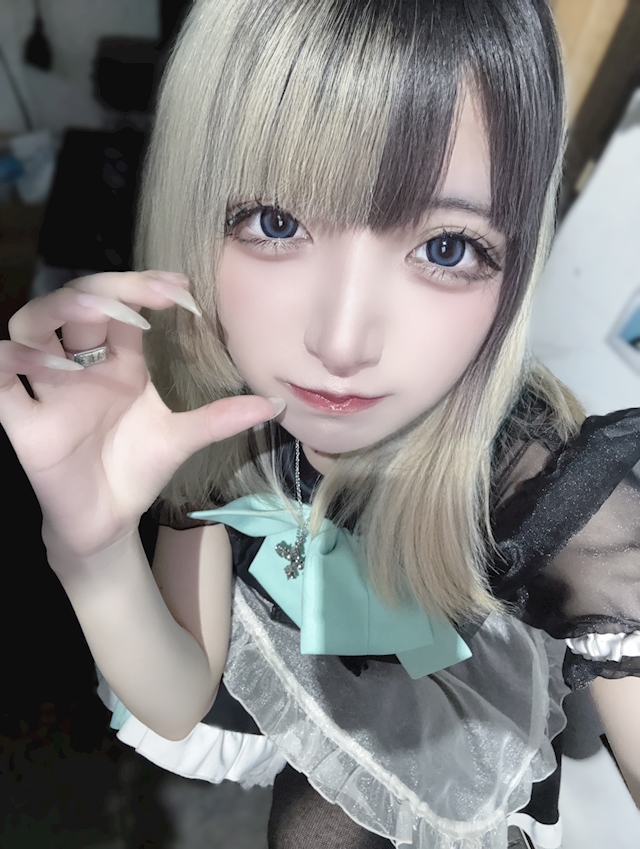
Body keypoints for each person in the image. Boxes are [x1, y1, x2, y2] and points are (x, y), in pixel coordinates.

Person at [1, 1, 639, 846]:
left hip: (453, 706)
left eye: (447, 247)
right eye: (277, 223)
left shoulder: (534, 479)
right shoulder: (213, 406)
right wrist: (92, 545)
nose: (341, 343)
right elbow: (178, 694)